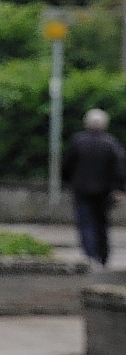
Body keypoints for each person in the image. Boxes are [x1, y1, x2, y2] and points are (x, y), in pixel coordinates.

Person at [62, 108, 126, 268]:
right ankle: (103, 256)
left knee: (86, 223)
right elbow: (118, 168)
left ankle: (90, 254)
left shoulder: (78, 141)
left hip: (82, 189)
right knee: (102, 224)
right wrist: (119, 188)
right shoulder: (111, 143)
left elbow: (67, 165)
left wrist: (68, 181)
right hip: (104, 191)